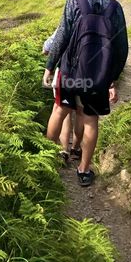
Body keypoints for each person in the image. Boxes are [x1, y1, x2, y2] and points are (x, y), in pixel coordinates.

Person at [43, 0, 129, 187]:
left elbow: (61, 37)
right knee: (91, 121)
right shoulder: (115, 8)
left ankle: (44, 161)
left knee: (59, 111)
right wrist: (112, 80)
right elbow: (122, 50)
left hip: (71, 72)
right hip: (98, 78)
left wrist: (50, 67)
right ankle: (83, 169)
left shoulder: (75, 1)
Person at [42, 33, 83, 165]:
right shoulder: (105, 16)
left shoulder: (72, 13)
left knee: (62, 111)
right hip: (89, 71)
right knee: (81, 112)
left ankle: (62, 150)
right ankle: (76, 149)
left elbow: (53, 43)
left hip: (67, 70)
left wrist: (49, 65)